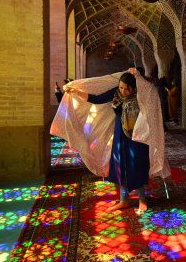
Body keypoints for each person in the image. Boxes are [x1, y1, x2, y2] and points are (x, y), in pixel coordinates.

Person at [63, 68, 164, 214]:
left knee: (137, 165)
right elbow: (95, 99)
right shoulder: (116, 94)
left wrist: (138, 76)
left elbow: (151, 90)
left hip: (137, 136)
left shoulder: (142, 95)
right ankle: (124, 199)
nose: (123, 91)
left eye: (127, 89)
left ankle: (142, 198)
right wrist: (74, 91)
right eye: (121, 87)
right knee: (120, 164)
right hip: (120, 134)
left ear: (134, 88)